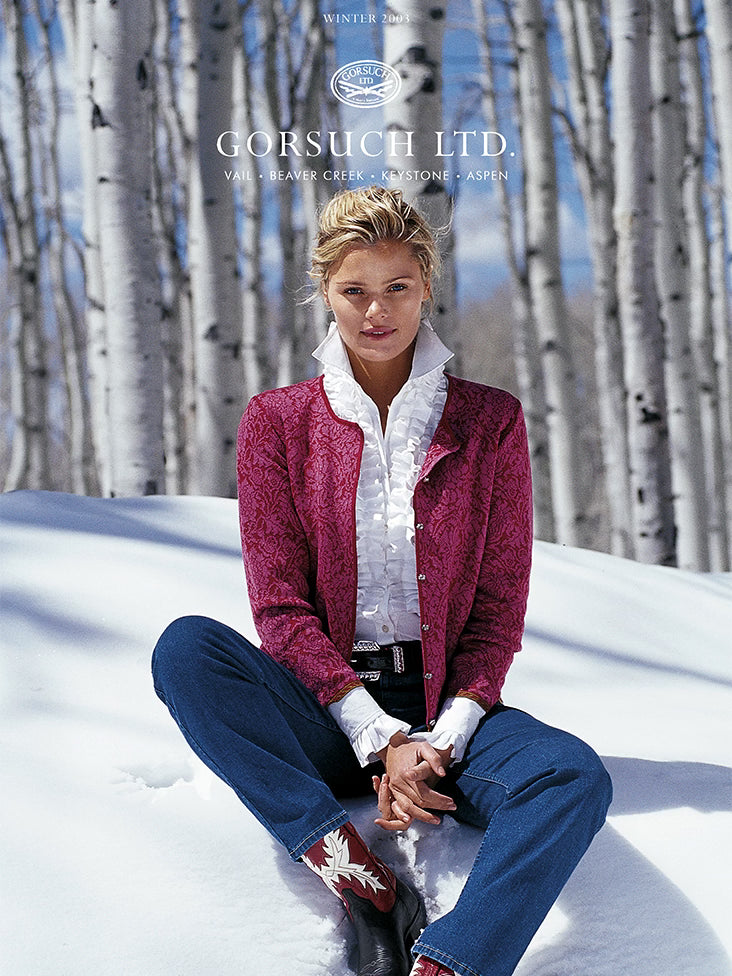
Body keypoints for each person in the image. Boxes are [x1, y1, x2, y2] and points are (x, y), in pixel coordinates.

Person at [152, 185, 612, 976]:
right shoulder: (277, 422)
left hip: (449, 712)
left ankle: (452, 963)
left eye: (397, 287)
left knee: (570, 777)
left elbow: (499, 609)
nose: (377, 311)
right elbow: (281, 610)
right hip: (323, 707)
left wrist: (436, 740)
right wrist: (378, 739)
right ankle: (362, 883)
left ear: (427, 285)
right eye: (354, 290)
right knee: (187, 651)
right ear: (324, 291)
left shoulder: (488, 420)